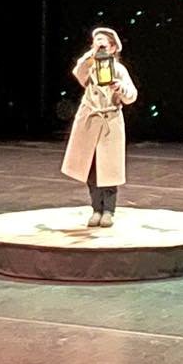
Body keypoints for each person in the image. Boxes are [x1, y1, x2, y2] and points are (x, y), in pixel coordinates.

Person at [61, 27, 138, 228]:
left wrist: (119, 88)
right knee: (91, 168)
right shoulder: (89, 66)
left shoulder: (119, 69)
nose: (100, 44)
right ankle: (96, 208)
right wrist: (91, 55)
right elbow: (78, 72)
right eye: (96, 41)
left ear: (113, 48)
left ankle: (109, 211)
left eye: (104, 41)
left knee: (109, 169)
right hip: (89, 120)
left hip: (109, 121)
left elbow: (131, 96)